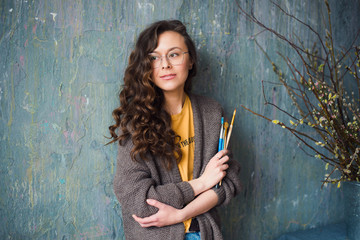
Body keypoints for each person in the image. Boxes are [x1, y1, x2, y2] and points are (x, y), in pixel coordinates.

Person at [108, 19, 241, 240]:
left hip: (206, 233)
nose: (165, 65)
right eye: (154, 57)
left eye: (174, 54)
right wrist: (200, 183)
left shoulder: (211, 112)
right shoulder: (135, 122)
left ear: (190, 60)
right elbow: (140, 202)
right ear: (145, 66)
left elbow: (227, 181)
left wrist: (181, 214)